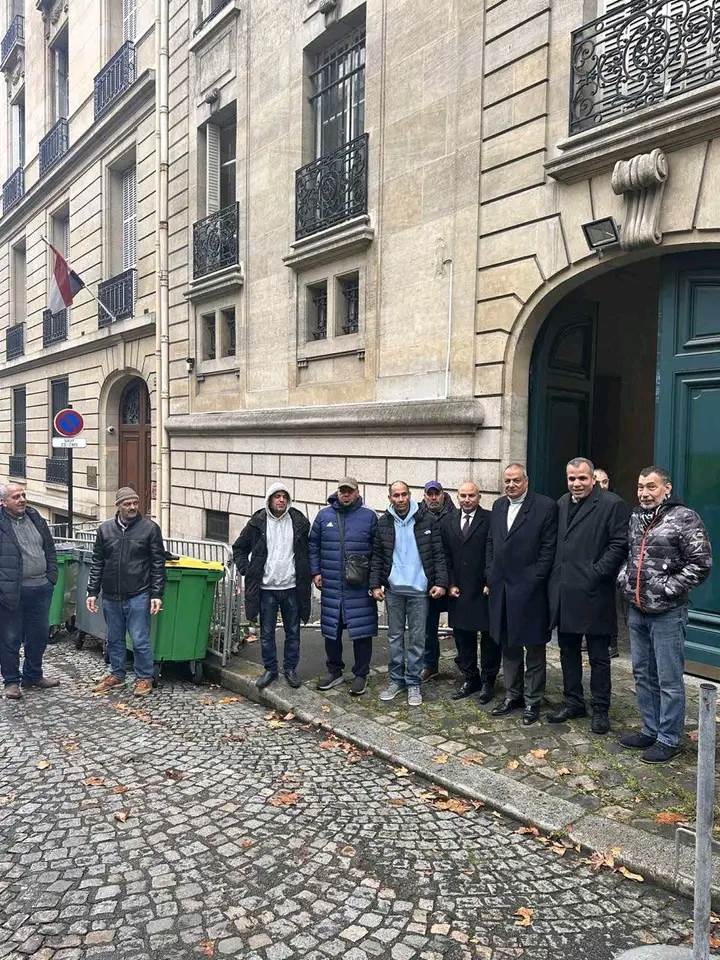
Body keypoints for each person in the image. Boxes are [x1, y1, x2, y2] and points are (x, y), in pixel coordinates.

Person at [617, 466, 712, 763]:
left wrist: (667, 588)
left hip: (668, 612)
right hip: (637, 609)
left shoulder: (685, 517)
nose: (644, 493)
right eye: (641, 487)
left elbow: (701, 562)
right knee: (642, 673)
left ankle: (669, 738)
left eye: (651, 486)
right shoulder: (636, 517)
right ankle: (650, 729)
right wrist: (625, 579)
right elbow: (630, 554)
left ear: (666, 489)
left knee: (668, 679)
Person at [547, 458, 628, 734]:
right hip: (566, 592)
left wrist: (596, 572)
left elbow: (619, 544)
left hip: (595, 593)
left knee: (598, 657)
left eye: (582, 478)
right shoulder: (561, 503)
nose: (576, 483)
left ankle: (601, 709)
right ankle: (573, 702)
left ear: (593, 478)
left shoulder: (611, 504)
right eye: (571, 478)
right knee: (568, 652)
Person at [486, 463, 557, 726]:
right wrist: (490, 573)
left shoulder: (545, 506)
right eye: (507, 481)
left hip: (531, 591)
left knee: (534, 648)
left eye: (516, 480)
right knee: (508, 645)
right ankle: (512, 695)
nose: (511, 485)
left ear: (526, 481)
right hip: (502, 589)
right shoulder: (498, 506)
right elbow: (492, 542)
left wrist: (535, 579)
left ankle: (532, 700)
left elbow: (548, 548)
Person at [370, 481, 447, 706]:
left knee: (417, 639)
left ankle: (413, 682)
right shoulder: (383, 522)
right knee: (394, 638)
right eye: (396, 495)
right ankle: (396, 680)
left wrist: (440, 582)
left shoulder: (427, 520)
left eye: (404, 494)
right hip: (394, 590)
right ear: (390, 498)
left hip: (419, 591)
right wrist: (375, 585)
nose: (401, 499)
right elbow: (377, 556)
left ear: (410, 495)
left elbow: (438, 554)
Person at [88, 487, 166, 697]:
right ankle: (117, 675)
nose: (132, 507)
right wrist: (92, 591)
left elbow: (158, 564)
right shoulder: (105, 530)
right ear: (118, 506)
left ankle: (144, 677)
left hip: (139, 593)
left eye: (135, 503)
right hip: (111, 595)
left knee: (140, 639)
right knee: (114, 638)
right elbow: (98, 562)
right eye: (127, 504)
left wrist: (157, 594)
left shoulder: (150, 529)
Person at [233, 482, 311, 690]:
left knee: (293, 632)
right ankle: (270, 669)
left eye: (284, 496)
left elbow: (309, 549)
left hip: (292, 587)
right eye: (277, 496)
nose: (281, 500)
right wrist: (247, 569)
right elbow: (239, 548)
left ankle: (290, 669)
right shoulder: (257, 522)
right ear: (269, 499)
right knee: (267, 632)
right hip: (266, 588)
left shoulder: (299, 522)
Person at [309, 478, 377, 696]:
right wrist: (315, 572)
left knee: (362, 633)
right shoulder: (324, 516)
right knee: (332, 631)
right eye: (343, 491)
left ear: (357, 492)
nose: (346, 494)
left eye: (350, 491)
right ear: (337, 492)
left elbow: (377, 551)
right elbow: (313, 545)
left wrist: (375, 581)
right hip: (331, 584)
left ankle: (361, 674)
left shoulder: (369, 517)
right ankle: (334, 671)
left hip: (359, 586)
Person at [441, 481, 500, 703]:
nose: (467, 499)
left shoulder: (491, 519)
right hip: (459, 589)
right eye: (463, 495)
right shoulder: (448, 521)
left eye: (471, 495)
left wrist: (490, 580)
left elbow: (495, 551)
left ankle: (488, 681)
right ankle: (470, 677)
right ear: (457, 497)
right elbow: (445, 555)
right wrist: (450, 583)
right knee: (463, 638)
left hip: (483, 588)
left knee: (489, 639)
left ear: (479, 497)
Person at [0, 483, 59, 700]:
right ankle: (11, 681)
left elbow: (49, 548)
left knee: (39, 636)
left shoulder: (35, 517)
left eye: (23, 495)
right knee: (10, 638)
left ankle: (33, 675)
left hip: (41, 588)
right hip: (11, 592)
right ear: (3, 502)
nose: (22, 499)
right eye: (16, 497)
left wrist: (51, 577)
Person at [417, 480, 456, 681]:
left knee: (461, 625)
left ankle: (466, 665)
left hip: (454, 578)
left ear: (443, 494)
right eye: (429, 494)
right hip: (429, 579)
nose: (433, 498)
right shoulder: (417, 516)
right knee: (427, 627)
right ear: (424, 496)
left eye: (436, 494)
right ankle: (430, 664)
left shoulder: (455, 514)